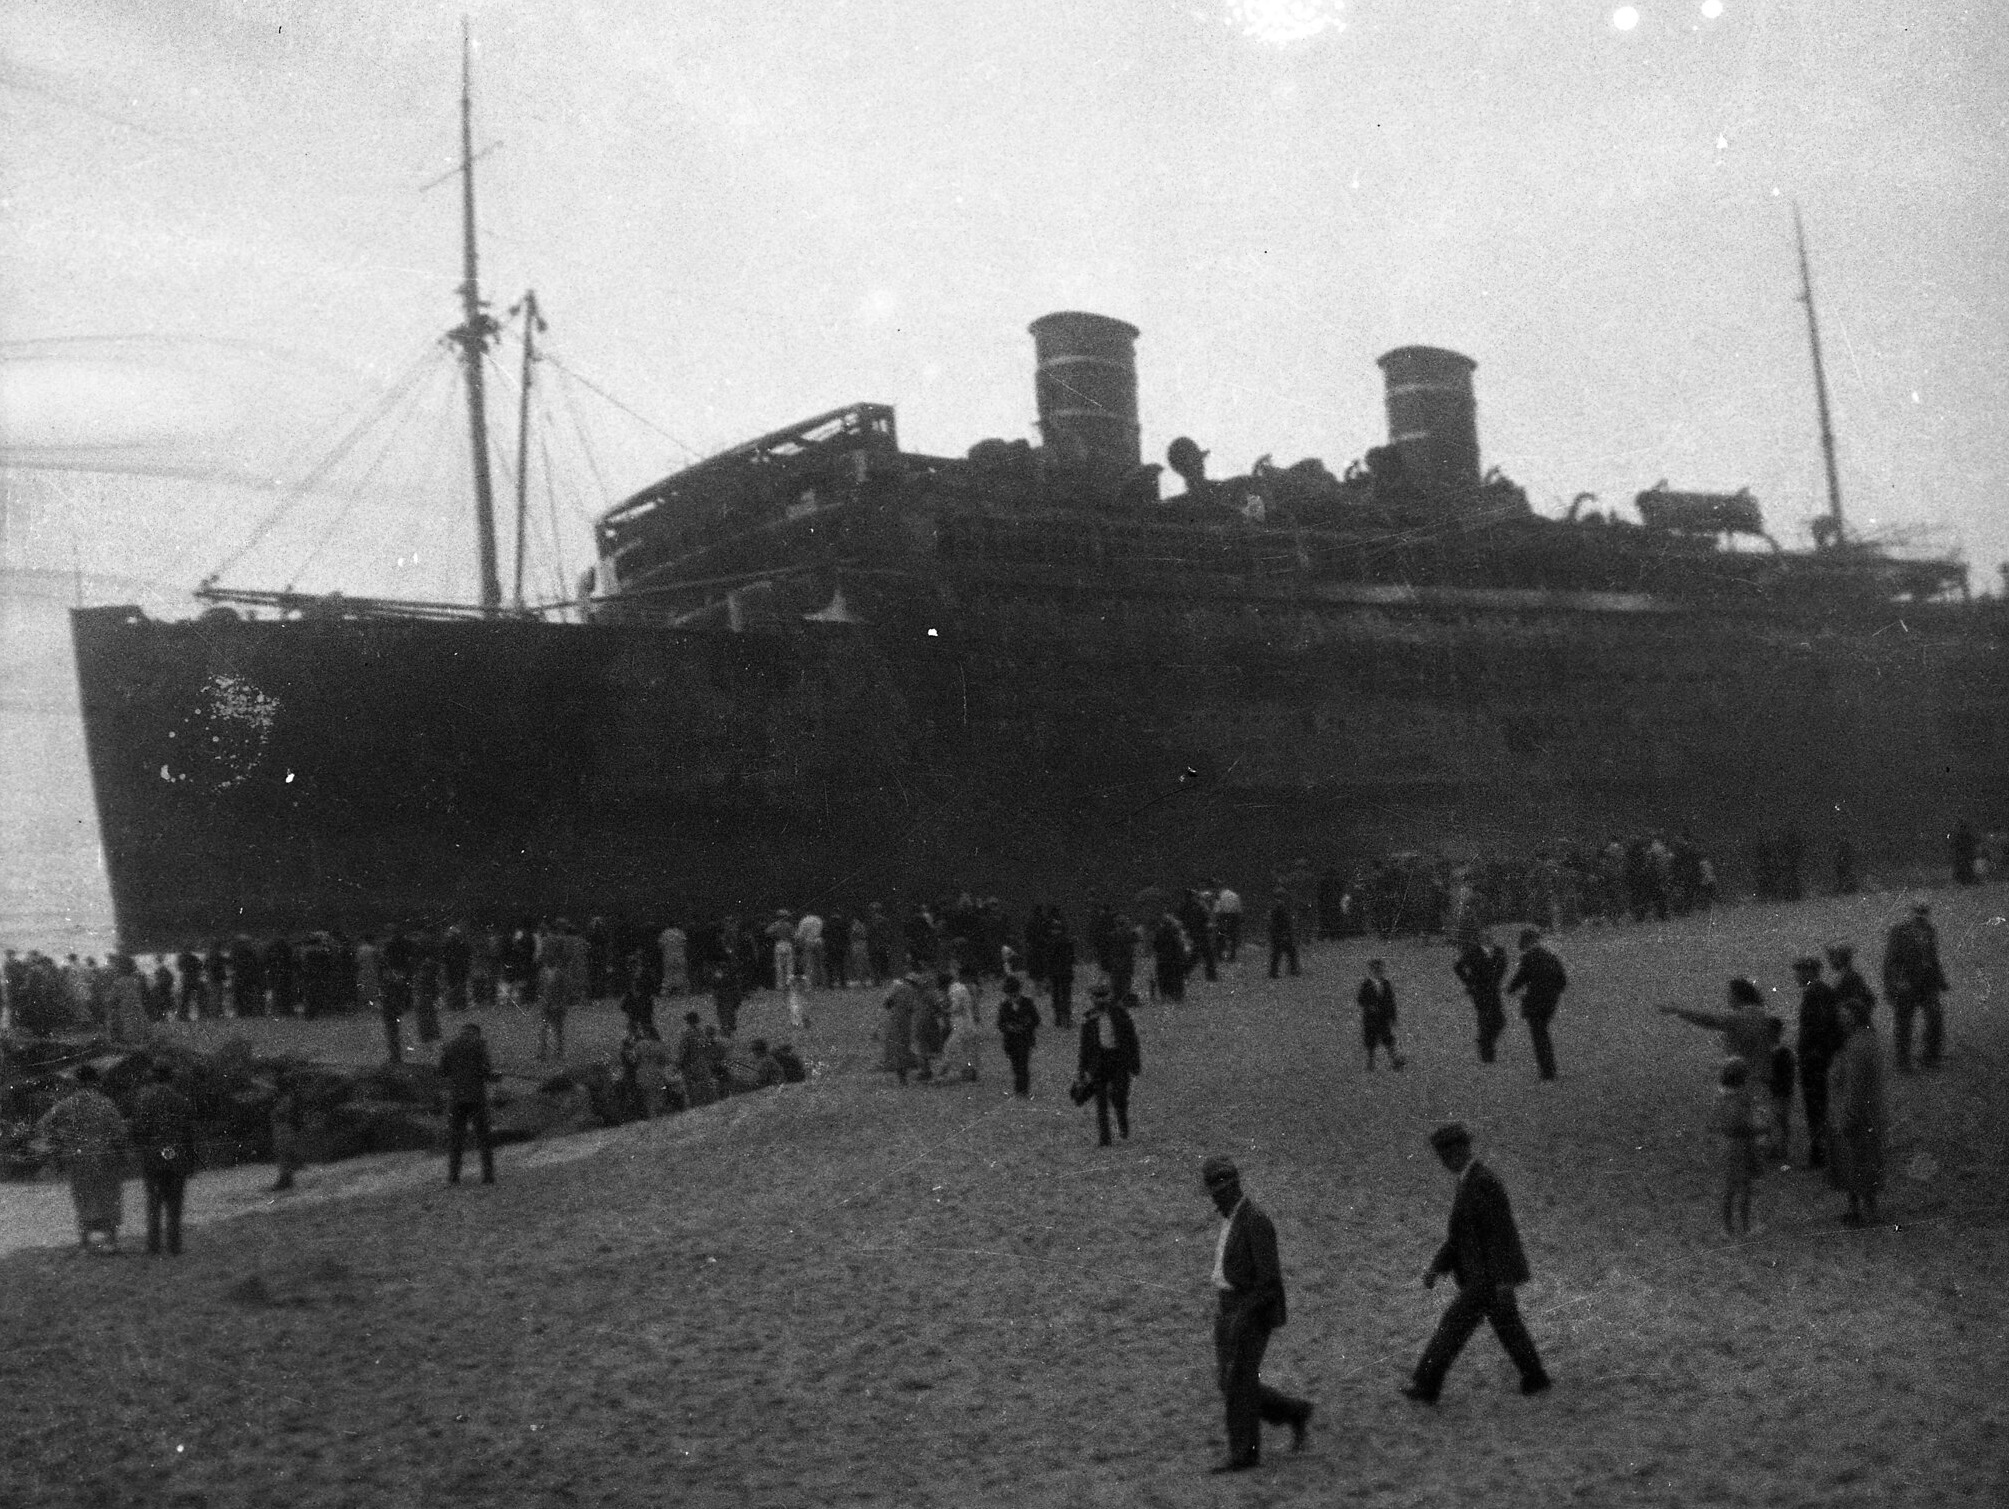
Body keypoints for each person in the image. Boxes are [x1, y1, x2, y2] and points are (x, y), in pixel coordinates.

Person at [1403, 1123, 1550, 1403]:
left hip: (1486, 1278)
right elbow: (1461, 1236)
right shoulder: (1470, 1180)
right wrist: (1437, 1267)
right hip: (1487, 1276)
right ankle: (1535, 1377)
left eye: (1446, 1156)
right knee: (1509, 1328)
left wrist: (1504, 1281)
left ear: (1459, 1152)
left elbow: (1502, 1234)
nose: (1445, 1163)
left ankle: (1427, 1386)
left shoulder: (1481, 1182)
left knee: (1453, 1326)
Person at [1200, 1155, 1313, 1474]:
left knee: (1237, 1381)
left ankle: (1245, 1454)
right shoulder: (1234, 1219)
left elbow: (1268, 1282)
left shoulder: (1255, 1221)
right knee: (1232, 1382)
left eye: (1215, 1195)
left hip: (1250, 1312)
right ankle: (1295, 1412)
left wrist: (1241, 1316)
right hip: (1228, 1307)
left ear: (1228, 1190)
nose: (1213, 1202)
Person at [36, 1064, 131, 1254]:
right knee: (108, 1198)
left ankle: (85, 1243)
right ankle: (110, 1241)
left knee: (83, 1199)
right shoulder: (104, 1103)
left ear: (77, 1082)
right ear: (94, 1081)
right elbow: (120, 1132)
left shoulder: (68, 1104)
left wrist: (61, 1140)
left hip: (78, 1157)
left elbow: (43, 1124)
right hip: (104, 1157)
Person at [128, 1058, 200, 1256]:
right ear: (171, 1078)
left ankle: (153, 1246)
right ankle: (174, 1246)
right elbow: (189, 1135)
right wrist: (191, 1163)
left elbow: (137, 1130)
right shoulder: (181, 1100)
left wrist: (141, 1151)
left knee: (154, 1204)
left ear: (154, 1078)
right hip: (176, 1157)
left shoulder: (144, 1100)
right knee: (175, 1205)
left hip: (153, 1158)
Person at [1827, 997, 1887, 1225]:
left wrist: (1847, 1116)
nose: (1842, 1020)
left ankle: (1859, 1211)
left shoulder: (1857, 1046)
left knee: (1853, 1162)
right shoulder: (1864, 1040)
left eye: (1845, 1016)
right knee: (1864, 1161)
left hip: (1854, 1113)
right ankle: (1866, 1208)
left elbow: (1854, 1086)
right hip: (1867, 1112)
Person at [1881, 898, 1948, 1071]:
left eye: (1923, 913)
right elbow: (1891, 961)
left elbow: (1933, 958)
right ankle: (1903, 1062)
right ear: (1911, 914)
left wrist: (1941, 979)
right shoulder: (1899, 932)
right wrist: (1898, 981)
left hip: (1927, 984)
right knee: (1904, 1024)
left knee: (1935, 1018)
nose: (1920, 916)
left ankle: (1930, 1057)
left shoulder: (1930, 931)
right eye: (1917, 912)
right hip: (1906, 985)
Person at [1794, 956, 1846, 1169]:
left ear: (1809, 972)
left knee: (1816, 1108)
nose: (1796, 976)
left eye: (1799, 971)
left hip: (1815, 1060)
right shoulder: (1821, 991)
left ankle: (1820, 1154)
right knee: (1819, 1107)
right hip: (1820, 1058)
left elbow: (1819, 1028)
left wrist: (1812, 1054)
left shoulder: (1815, 993)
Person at [1076, 984, 1142, 1146]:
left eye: (1103, 997)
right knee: (1100, 1101)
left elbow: (1132, 1039)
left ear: (1109, 997)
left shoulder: (1120, 1014)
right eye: (1097, 998)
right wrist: (1082, 1070)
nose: (1100, 1001)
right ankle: (1105, 1139)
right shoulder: (1089, 1019)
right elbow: (1084, 1047)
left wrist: (1134, 1062)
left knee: (1119, 1095)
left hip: (1119, 1059)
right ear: (1092, 999)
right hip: (1099, 1062)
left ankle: (1122, 1119)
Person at [1661, 977, 1771, 1074]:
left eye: (1729, 994)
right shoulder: (1762, 1015)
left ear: (1738, 995)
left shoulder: (1742, 1017)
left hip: (1745, 1077)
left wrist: (1679, 1012)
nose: (1728, 999)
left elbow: (1708, 1020)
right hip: (1761, 1074)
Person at [439, 1022, 498, 1185]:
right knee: (483, 1138)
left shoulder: (450, 1046)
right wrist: (494, 1076)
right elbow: (486, 1070)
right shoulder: (479, 1045)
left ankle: (453, 1176)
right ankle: (488, 1176)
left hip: (457, 1099)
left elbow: (443, 1071)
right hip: (477, 1098)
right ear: (476, 1033)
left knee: (456, 1139)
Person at [1505, 929, 1567, 1080]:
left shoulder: (1528, 958)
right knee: (1543, 1035)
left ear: (1526, 943)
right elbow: (1562, 981)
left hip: (1535, 1004)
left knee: (1539, 1038)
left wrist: (1509, 989)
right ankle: (1550, 1069)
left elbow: (1520, 978)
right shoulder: (1551, 956)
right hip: (1551, 1002)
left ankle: (1547, 1072)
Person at [1711, 1058, 1760, 1237]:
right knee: (1744, 1187)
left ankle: (1727, 1226)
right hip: (1740, 1146)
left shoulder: (1721, 1098)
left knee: (1729, 1187)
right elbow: (1741, 1124)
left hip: (1727, 1145)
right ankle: (1745, 1225)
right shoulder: (1738, 1100)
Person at [1453, 932, 1510, 1064]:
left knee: (1499, 1021)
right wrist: (1469, 982)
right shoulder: (1473, 952)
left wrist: (1497, 979)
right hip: (1479, 992)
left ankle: (1484, 1042)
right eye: (1484, 937)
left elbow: (1503, 965)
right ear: (1480, 939)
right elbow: (1458, 967)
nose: (1488, 938)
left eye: (1489, 936)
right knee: (1485, 1020)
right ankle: (1487, 1056)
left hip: (1494, 991)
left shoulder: (1499, 951)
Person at [1355, 959, 1406, 1071]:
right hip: (1370, 1019)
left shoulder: (1386, 983)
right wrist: (1370, 1006)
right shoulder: (1366, 984)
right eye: (1375, 969)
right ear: (1371, 970)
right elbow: (1360, 1000)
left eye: (1380, 969)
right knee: (1371, 1042)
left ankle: (1395, 1062)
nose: (1378, 971)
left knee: (1388, 1040)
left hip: (1384, 1018)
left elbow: (1391, 1001)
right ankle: (1370, 1064)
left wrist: (1393, 1017)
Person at [995, 975, 1039, 1096]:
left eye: (1013, 994)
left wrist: (1025, 1025)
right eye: (1009, 995)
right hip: (1011, 1040)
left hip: (1024, 1039)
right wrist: (1008, 1027)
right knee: (1015, 1066)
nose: (1011, 997)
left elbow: (1036, 1020)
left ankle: (1023, 1089)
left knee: (1023, 1065)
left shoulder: (1027, 1002)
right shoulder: (1004, 1005)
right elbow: (1000, 1023)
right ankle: (1019, 1088)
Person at [881, 973, 924, 1085]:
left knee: (895, 1048)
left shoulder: (896, 986)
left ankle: (901, 1077)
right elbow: (913, 1008)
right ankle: (904, 1077)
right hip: (906, 1021)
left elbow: (886, 1003)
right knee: (904, 1047)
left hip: (894, 1019)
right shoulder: (913, 991)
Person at [1764, 1019, 1796, 1165]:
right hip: (1785, 1091)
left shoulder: (1773, 1052)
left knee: (1774, 1120)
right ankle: (1782, 1148)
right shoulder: (1786, 1051)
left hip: (1776, 1091)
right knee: (1782, 1120)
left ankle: (1775, 1149)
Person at [269, 1070, 306, 1192]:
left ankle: (286, 1179)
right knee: (284, 1153)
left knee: (283, 1152)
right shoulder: (288, 1097)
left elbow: (281, 1113)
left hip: (283, 1128)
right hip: (284, 1128)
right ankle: (286, 1178)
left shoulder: (285, 1099)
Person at [677, 1011, 718, 1106]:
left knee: (692, 1090)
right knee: (706, 1087)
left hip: (690, 1064)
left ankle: (696, 1105)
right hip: (702, 1063)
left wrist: (679, 1064)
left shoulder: (686, 1034)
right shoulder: (701, 1033)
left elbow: (683, 1051)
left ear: (688, 1021)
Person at [1266, 890, 1299, 979]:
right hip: (1283, 933)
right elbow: (1285, 921)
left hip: (1276, 933)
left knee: (1277, 953)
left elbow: (1271, 922)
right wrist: (1287, 932)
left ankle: (1274, 972)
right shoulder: (1281, 907)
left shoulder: (1273, 906)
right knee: (1290, 952)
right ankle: (1293, 970)